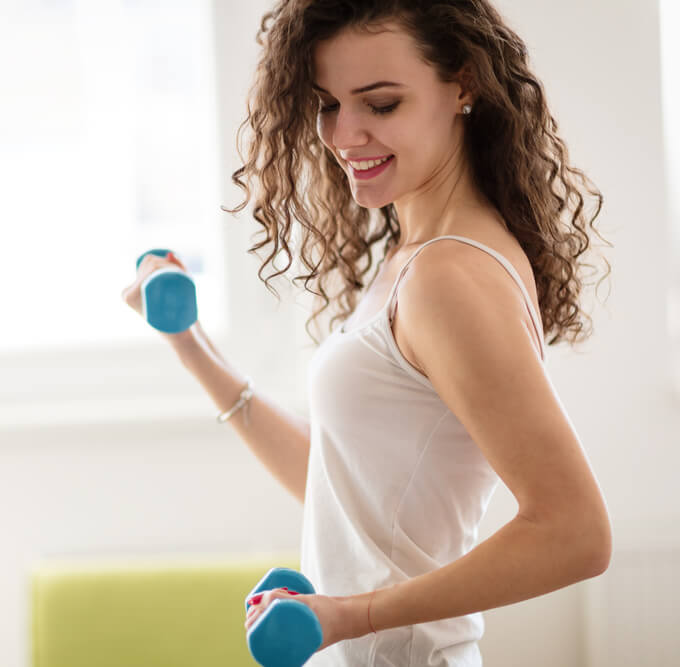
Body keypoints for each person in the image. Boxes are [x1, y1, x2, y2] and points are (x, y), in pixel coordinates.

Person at [122, 1, 613, 665]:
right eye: (328, 104)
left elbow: (575, 531)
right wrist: (190, 343)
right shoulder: (420, 255)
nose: (344, 134)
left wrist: (349, 615)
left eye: (380, 105)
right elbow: (349, 489)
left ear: (462, 84)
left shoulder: (448, 276)